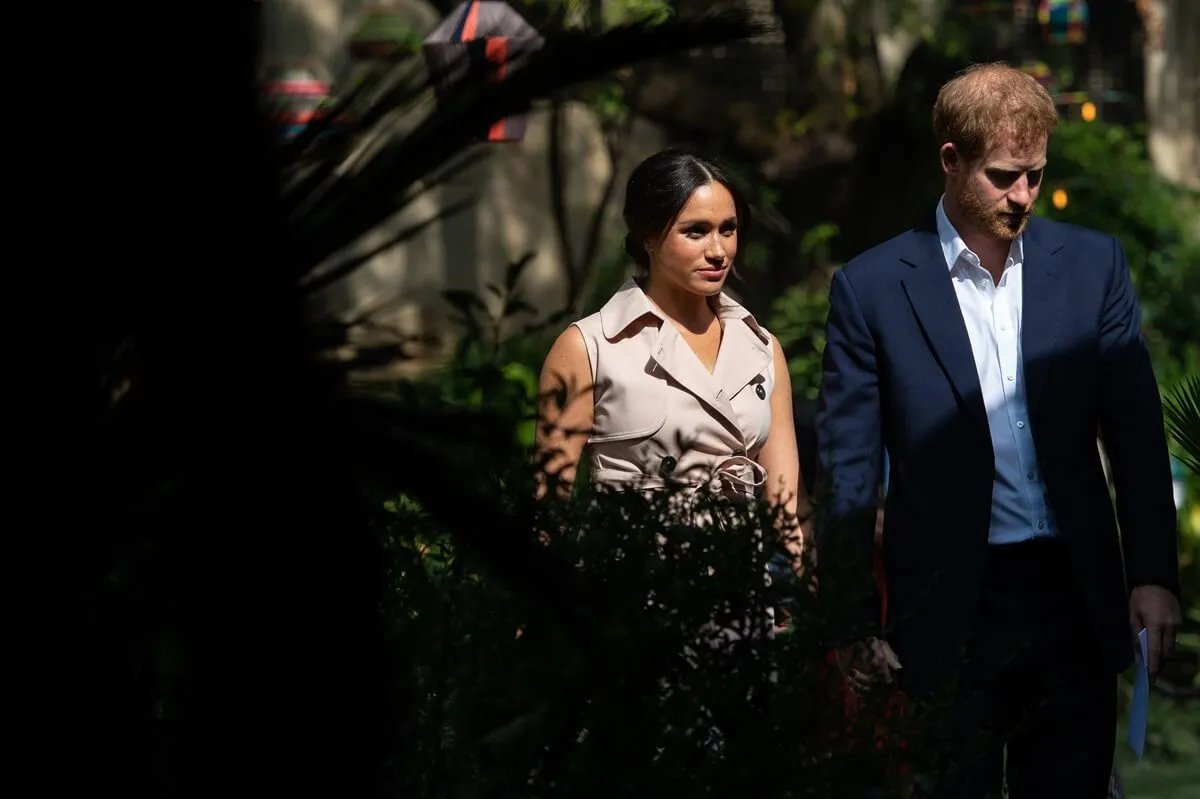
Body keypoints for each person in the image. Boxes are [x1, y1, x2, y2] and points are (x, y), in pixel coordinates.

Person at [814, 63, 1181, 798]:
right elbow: (849, 467)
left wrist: (1152, 575)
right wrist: (851, 621)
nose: (1023, 196)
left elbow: (1136, 434)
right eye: (1005, 176)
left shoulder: (1092, 265)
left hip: (1072, 595)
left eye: (1036, 176)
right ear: (950, 159)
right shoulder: (872, 287)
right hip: (950, 604)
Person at [534, 146, 807, 539]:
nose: (718, 251)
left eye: (727, 229)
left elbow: (786, 508)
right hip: (634, 585)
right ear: (648, 236)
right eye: (695, 231)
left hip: (742, 588)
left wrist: (794, 595)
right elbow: (550, 510)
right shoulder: (589, 346)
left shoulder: (762, 348)